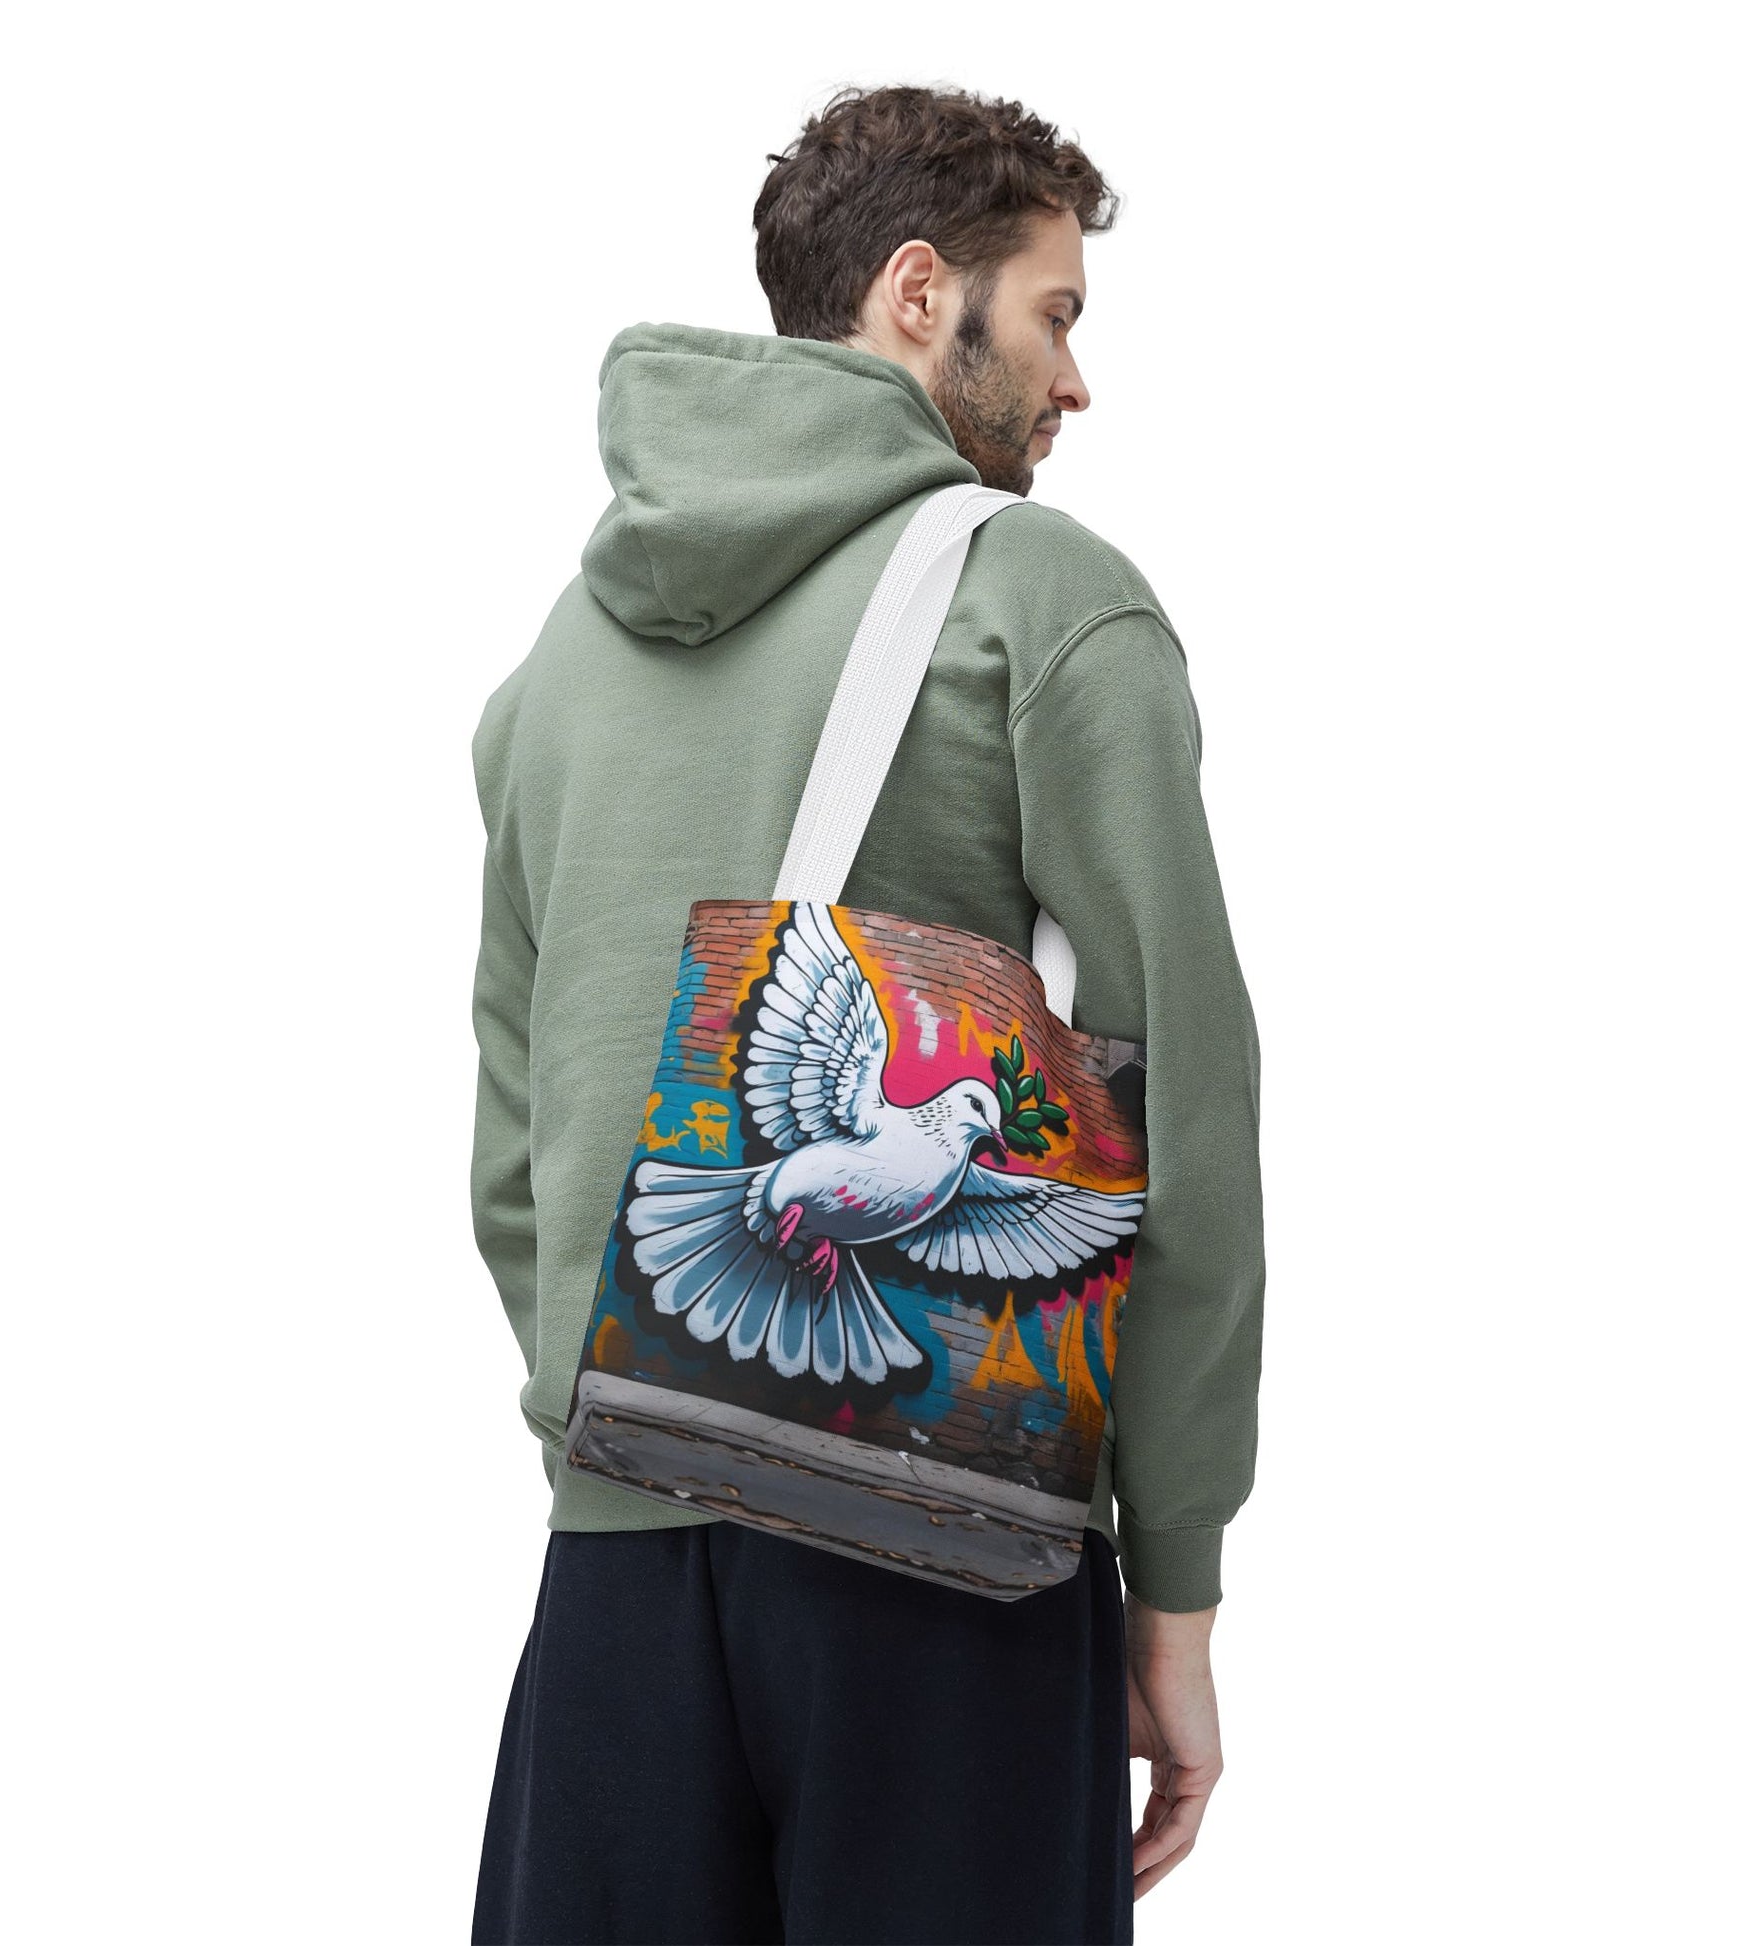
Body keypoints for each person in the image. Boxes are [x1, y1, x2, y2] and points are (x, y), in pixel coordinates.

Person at [467, 84, 1264, 1946]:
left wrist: (629, 1429)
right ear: (919, 292)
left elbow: (514, 1141)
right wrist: (1176, 1582)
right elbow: (1187, 1119)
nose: (1075, 384)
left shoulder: (556, 663)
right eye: (1053, 314)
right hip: (942, 1559)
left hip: (613, 1567)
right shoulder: (1040, 601)